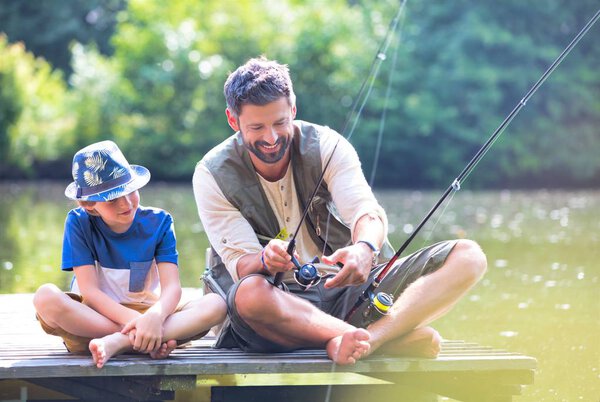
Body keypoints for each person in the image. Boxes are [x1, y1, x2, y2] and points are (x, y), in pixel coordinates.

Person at [193, 57, 487, 365]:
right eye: (256, 127)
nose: (271, 138)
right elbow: (242, 267)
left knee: (469, 256)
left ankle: (367, 339)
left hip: (346, 291)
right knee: (249, 295)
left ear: (293, 109)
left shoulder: (328, 145)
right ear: (232, 120)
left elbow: (365, 211)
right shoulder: (211, 173)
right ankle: (372, 336)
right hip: (275, 305)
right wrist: (267, 259)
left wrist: (364, 248)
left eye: (280, 123)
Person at [34, 140, 226, 368]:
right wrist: (143, 326)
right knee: (45, 298)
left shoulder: (160, 222)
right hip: (95, 320)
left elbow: (172, 288)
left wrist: (154, 317)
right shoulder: (78, 223)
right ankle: (145, 341)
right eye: (112, 198)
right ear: (88, 204)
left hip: (150, 313)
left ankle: (119, 342)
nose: (125, 203)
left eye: (130, 191)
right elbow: (91, 294)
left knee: (216, 304)